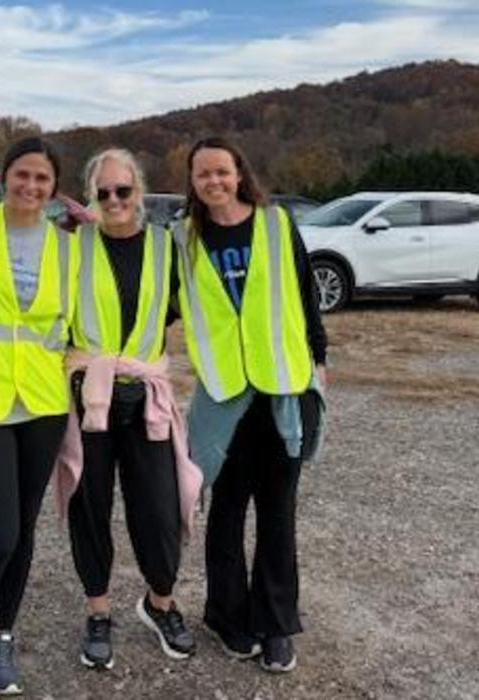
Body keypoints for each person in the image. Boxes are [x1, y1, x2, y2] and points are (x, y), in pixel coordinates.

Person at [173, 136, 328, 674]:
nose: (213, 181)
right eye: (202, 175)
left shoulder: (276, 224)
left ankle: (277, 623)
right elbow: (158, 300)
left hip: (281, 385)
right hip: (223, 396)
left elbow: (306, 294)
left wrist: (320, 360)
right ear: (192, 183)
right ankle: (227, 615)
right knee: (227, 511)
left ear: (239, 173)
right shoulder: (182, 239)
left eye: (222, 171)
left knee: (278, 512)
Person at [53, 148, 203, 671]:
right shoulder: (72, 246)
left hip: (146, 397)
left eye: (124, 190)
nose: (114, 201)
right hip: (89, 395)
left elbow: (197, 307)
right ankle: (98, 611)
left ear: (140, 191)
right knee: (90, 506)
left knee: (160, 507)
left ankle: (160, 602)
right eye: (104, 192)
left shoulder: (167, 247)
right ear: (91, 196)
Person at [0, 137, 78, 699]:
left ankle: (4, 634)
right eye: (22, 175)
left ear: (55, 189)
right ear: (4, 177)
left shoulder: (70, 247)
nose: (31, 187)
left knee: (24, 529)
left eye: (42, 180)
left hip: (43, 402)